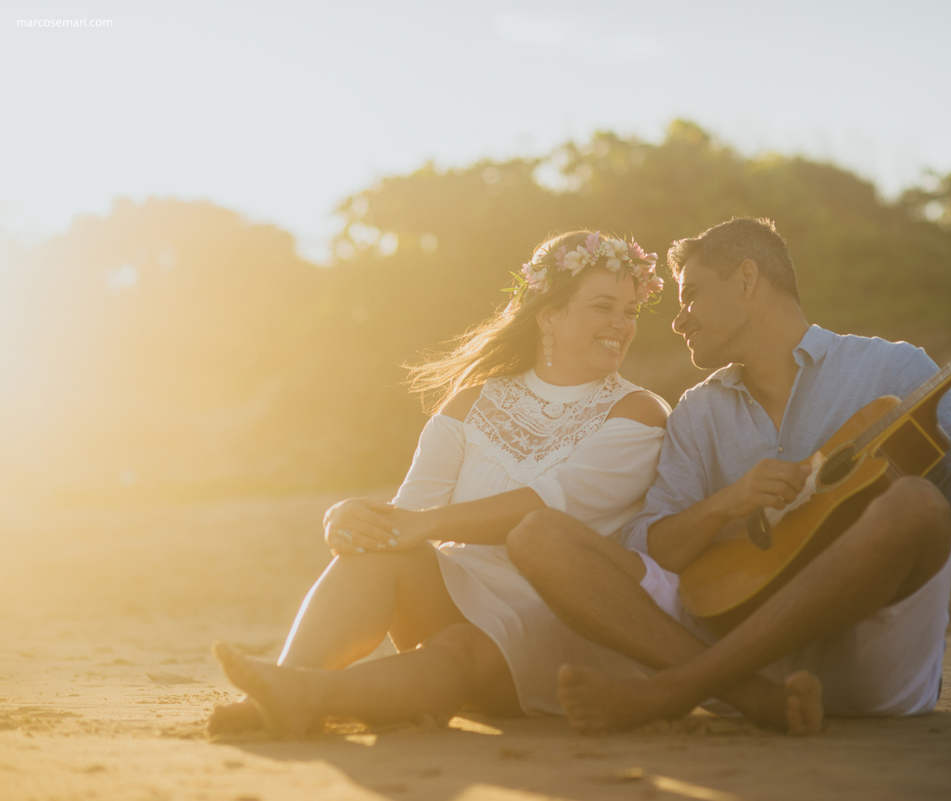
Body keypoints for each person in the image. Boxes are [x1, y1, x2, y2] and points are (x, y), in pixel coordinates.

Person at [506, 217, 951, 734]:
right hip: (734, 643)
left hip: (866, 658)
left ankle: (676, 690)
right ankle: (756, 698)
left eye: (690, 295)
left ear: (746, 279)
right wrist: (726, 503)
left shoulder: (895, 371)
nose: (678, 318)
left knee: (918, 503)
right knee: (537, 534)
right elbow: (653, 551)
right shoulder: (697, 411)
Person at [208, 230, 683, 737]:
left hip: (560, 614)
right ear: (549, 314)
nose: (621, 325)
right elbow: (409, 514)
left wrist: (423, 524)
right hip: (459, 591)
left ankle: (313, 697)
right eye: (604, 306)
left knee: (459, 647)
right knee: (381, 551)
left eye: (630, 311)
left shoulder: (638, 412)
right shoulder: (469, 404)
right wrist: (352, 520)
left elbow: (552, 507)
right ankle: (283, 684)